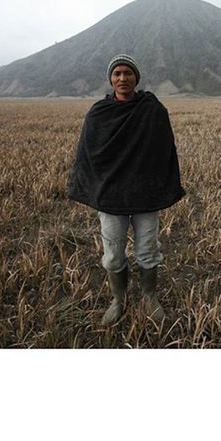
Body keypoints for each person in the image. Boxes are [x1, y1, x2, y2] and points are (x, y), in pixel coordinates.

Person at [67, 54, 185, 325]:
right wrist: (95, 188)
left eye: (128, 73)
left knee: (147, 250)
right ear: (110, 79)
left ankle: (149, 297)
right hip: (111, 197)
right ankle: (118, 300)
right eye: (117, 73)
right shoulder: (99, 113)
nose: (123, 78)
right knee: (112, 254)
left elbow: (165, 150)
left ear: (136, 78)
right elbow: (89, 156)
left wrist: (159, 183)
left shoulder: (152, 108)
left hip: (145, 194)